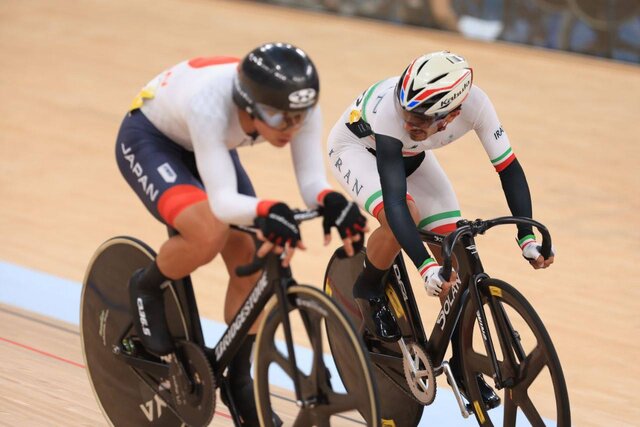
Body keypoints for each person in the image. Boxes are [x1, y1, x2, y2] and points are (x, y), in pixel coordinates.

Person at [115, 42, 367, 425]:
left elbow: (312, 180)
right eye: (279, 118)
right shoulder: (210, 104)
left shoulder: (296, 106)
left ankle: (237, 376)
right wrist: (268, 210)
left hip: (210, 143)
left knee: (252, 260)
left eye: (298, 118)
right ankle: (147, 285)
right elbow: (223, 203)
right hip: (152, 139)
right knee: (208, 232)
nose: (290, 128)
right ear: (248, 105)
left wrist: (334, 201)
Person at [326, 50, 554, 410]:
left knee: (454, 246)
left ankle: (464, 364)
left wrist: (526, 235)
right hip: (358, 149)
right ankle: (368, 287)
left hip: (413, 158)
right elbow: (398, 202)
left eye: (419, 120)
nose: (408, 121)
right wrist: (424, 267)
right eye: (407, 114)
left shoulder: (477, 106)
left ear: (451, 116)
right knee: (407, 214)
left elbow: (509, 168)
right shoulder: (390, 114)